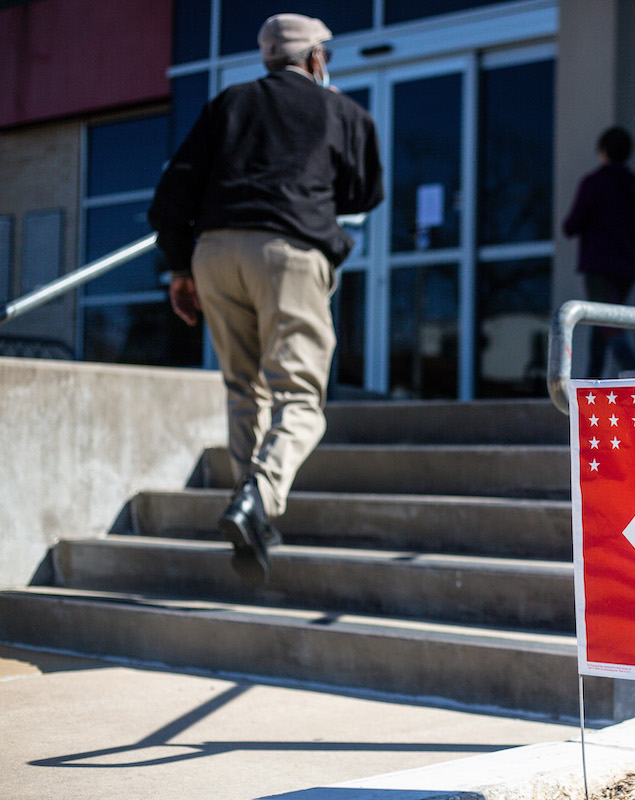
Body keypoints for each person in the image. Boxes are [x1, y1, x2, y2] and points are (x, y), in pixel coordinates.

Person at [148, 13, 384, 585]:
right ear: (316, 59)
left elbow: (173, 189)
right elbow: (366, 192)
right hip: (289, 253)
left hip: (215, 254)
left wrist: (181, 267)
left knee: (242, 386)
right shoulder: (342, 112)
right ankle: (258, 498)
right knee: (299, 396)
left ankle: (254, 517)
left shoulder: (227, 103)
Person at [563, 126, 635, 378]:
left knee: (608, 325)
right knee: (601, 326)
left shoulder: (594, 183)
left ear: (602, 151)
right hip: (625, 267)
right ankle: (591, 384)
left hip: (599, 266)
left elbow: (571, 225)